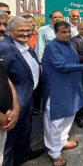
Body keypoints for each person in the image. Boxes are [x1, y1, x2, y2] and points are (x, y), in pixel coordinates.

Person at [42, 21, 83, 166]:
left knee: (69, 115)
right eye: (63, 32)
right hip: (57, 89)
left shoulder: (68, 44)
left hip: (72, 87)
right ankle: (54, 152)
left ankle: (62, 142)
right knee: (56, 121)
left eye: (68, 32)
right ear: (55, 33)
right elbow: (62, 66)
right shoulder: (52, 47)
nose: (67, 34)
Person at [0, 17, 44, 166]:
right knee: (8, 140)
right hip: (14, 103)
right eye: (21, 31)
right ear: (10, 31)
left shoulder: (24, 44)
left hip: (28, 96)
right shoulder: (4, 48)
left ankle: (23, 155)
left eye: (28, 30)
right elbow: (2, 78)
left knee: (25, 130)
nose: (26, 34)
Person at [0, 15, 20, 165]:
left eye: (4, 24)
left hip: (7, 115)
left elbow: (5, 79)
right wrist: (2, 117)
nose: (3, 29)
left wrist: (15, 106)